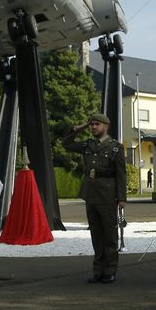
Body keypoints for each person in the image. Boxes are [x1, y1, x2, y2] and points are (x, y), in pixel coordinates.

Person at [61, 113, 128, 283]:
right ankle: (98, 271)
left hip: (107, 193)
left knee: (110, 235)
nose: (93, 127)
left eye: (97, 124)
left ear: (106, 126)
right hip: (91, 194)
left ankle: (110, 271)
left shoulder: (115, 147)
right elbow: (66, 143)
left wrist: (121, 198)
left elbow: (121, 174)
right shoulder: (88, 145)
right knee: (96, 234)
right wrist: (78, 128)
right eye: (91, 125)